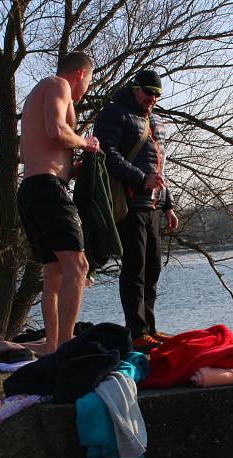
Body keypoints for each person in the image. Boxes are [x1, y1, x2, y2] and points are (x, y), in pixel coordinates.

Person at [17, 51, 100, 354]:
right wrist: (85, 142)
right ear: (80, 74)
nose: (86, 88)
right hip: (48, 190)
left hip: (31, 190)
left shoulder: (33, 98)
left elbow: (27, 154)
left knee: (54, 273)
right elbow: (56, 131)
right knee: (78, 266)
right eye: (89, 82)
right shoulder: (58, 85)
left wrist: (73, 169)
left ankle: (53, 348)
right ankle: (66, 346)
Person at [94, 70, 178, 350]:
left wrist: (168, 205)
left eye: (157, 94)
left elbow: (161, 167)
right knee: (135, 268)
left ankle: (150, 327)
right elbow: (108, 155)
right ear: (134, 88)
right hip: (128, 204)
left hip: (153, 205)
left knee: (153, 267)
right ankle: (137, 331)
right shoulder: (114, 114)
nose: (152, 98)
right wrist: (142, 180)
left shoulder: (156, 121)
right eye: (148, 92)